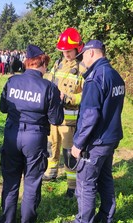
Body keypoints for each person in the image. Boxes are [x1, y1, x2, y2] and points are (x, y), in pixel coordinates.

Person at [0, 44, 64, 223]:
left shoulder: (12, 81)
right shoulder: (49, 87)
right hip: (35, 138)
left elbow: (3, 108)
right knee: (32, 182)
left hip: (12, 135)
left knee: (10, 182)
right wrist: (58, 101)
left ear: (28, 63)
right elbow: (56, 119)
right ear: (42, 63)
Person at [63, 40, 125, 223]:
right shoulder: (115, 75)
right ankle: (106, 216)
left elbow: (90, 115)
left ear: (91, 54)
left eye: (83, 57)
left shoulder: (95, 78)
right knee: (105, 178)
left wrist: (78, 143)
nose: (83, 61)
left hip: (96, 141)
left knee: (85, 181)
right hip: (110, 138)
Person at [43, 27, 87, 198]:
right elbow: (50, 81)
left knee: (69, 152)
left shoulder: (83, 68)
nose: (66, 54)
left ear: (78, 49)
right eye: (63, 51)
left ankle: (72, 185)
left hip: (69, 120)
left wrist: (68, 98)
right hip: (53, 116)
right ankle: (51, 171)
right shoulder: (57, 63)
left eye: (69, 51)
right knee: (51, 146)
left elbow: (87, 95)